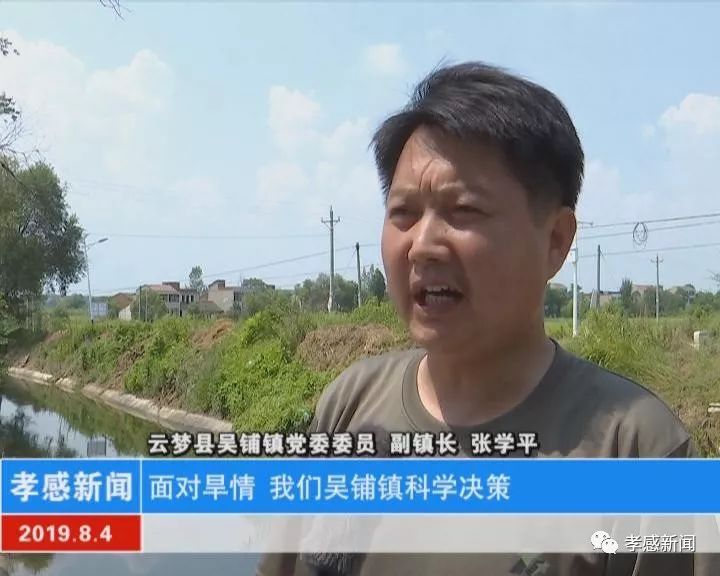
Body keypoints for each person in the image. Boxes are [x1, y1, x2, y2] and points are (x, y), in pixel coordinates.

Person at [256, 61, 718, 576]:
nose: (422, 246)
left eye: (464, 211)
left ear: (555, 241)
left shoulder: (638, 452)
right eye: (403, 213)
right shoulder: (349, 406)